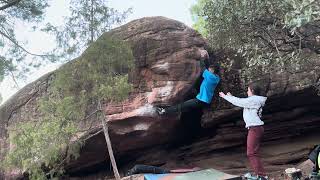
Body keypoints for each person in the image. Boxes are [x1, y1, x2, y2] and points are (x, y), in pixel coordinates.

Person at [219, 83, 268, 180]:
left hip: (255, 128)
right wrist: (231, 97)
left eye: (248, 90)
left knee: (251, 153)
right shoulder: (254, 100)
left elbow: (240, 102)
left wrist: (225, 97)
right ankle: (261, 175)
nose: (247, 92)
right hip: (256, 128)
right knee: (253, 152)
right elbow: (242, 102)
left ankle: (262, 176)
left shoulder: (254, 100)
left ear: (252, 91)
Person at [156, 50, 220, 115]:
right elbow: (207, 66)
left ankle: (163, 111)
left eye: (210, 69)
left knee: (183, 105)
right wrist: (207, 56)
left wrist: (202, 57)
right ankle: (175, 113)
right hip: (205, 100)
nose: (209, 69)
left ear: (213, 71)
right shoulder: (217, 78)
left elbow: (203, 66)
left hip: (201, 100)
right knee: (186, 107)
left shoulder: (210, 77)